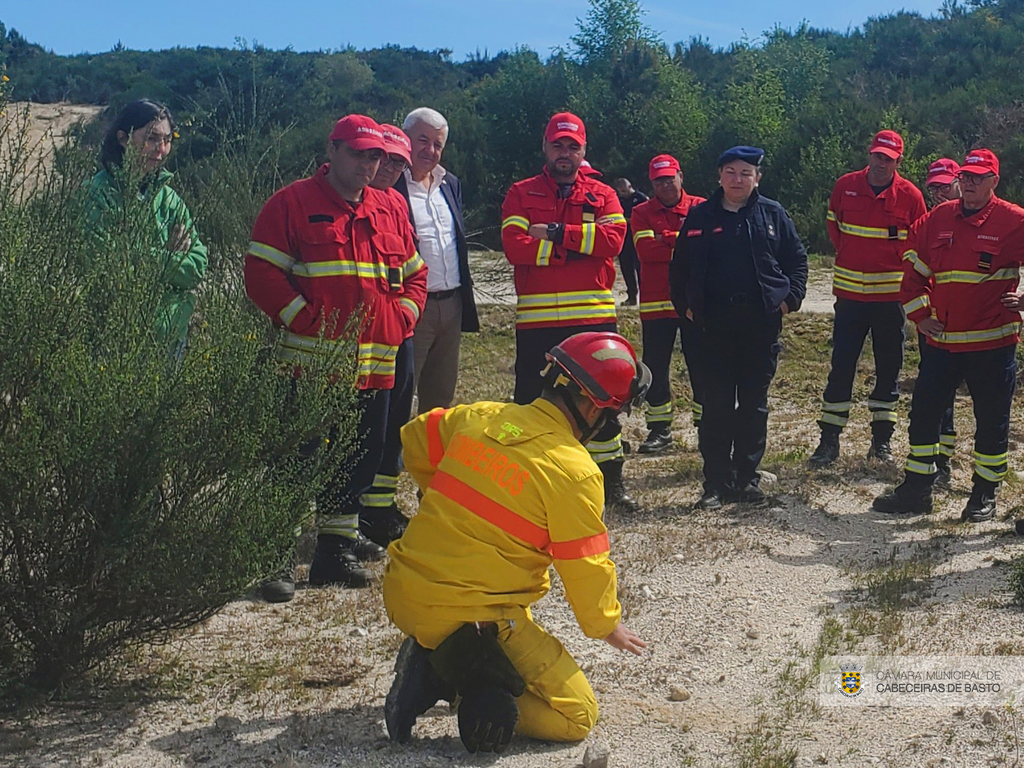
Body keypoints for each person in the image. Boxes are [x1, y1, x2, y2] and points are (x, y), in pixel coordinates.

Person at [382, 331, 649, 753]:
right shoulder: (573, 472)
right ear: (595, 409)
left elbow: (416, 437)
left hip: (402, 591)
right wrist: (606, 626)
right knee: (576, 715)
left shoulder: (482, 415)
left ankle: (438, 657)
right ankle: (450, 676)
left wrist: (440, 499)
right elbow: (586, 567)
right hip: (473, 616)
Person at [245, 114, 427, 589]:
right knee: (295, 459)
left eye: (376, 156)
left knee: (356, 460)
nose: (370, 164)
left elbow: (415, 275)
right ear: (333, 150)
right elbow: (262, 274)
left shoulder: (389, 207)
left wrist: (402, 318)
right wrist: (305, 319)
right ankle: (275, 555)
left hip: (375, 368)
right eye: (360, 153)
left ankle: (335, 552)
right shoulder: (291, 203)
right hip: (309, 367)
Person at [874, 149, 1024, 522]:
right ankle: (917, 489)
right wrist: (920, 316)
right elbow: (913, 273)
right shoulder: (938, 218)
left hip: (993, 343)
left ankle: (983, 495)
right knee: (924, 414)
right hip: (942, 344)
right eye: (966, 176)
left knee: (991, 421)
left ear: (994, 182)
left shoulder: (1014, 220)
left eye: (978, 177)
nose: (970, 183)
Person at [500, 112, 636, 511]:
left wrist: (557, 236)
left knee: (605, 401)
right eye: (557, 145)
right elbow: (514, 246)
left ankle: (610, 483)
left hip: (592, 320)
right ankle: (527, 483)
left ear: (583, 151)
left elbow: (612, 241)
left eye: (572, 146)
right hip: (538, 323)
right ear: (545, 147)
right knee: (529, 401)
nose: (565, 153)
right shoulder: (521, 192)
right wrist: (578, 248)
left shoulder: (603, 193)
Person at [670, 146, 808, 509]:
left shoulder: (773, 214)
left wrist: (790, 298)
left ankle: (747, 479)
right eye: (730, 171)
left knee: (753, 407)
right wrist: (684, 307)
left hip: (759, 327)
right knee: (714, 408)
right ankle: (716, 483)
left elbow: (796, 260)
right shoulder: (699, 216)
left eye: (745, 173)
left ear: (757, 178)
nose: (737, 179)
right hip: (710, 330)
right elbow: (679, 267)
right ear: (719, 176)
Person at [808, 130, 927, 467]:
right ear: (869, 154)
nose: (880, 163)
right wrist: (848, 253)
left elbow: (918, 242)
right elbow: (834, 226)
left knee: (889, 370)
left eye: (887, 159)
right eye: (876, 156)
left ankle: (881, 442)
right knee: (840, 367)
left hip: (890, 300)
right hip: (849, 297)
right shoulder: (845, 185)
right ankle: (829, 441)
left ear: (897, 162)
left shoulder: (911, 196)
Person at [85, 98, 208, 354]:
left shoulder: (170, 200)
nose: (161, 149)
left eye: (168, 140)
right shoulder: (97, 194)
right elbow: (104, 263)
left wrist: (137, 254)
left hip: (170, 336)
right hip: (114, 337)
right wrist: (172, 258)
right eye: (152, 138)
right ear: (123, 139)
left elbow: (198, 266)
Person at [393, 107, 479, 413]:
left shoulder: (450, 183)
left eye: (438, 144)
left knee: (441, 392)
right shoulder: (390, 184)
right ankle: (395, 455)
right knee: (401, 389)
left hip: (452, 304)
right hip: (412, 304)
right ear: (405, 138)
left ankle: (429, 456)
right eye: (423, 140)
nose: (430, 150)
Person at [629, 154, 706, 453]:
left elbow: (705, 249)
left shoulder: (700, 207)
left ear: (680, 176)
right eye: (658, 180)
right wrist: (683, 240)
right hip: (656, 304)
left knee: (701, 365)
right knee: (655, 368)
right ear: (651, 183)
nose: (665, 185)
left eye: (669, 178)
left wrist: (666, 238)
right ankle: (659, 430)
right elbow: (645, 251)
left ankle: (706, 427)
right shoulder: (640, 212)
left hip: (693, 302)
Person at [919, 158, 963, 485]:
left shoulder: (985, 220)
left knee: (989, 404)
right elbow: (913, 273)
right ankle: (940, 461)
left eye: (945, 186)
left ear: (959, 182)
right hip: (937, 325)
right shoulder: (927, 222)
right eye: (934, 187)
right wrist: (921, 316)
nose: (939, 193)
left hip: (979, 326)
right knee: (937, 395)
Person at [613, 177, 648, 307]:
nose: (623, 194)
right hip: (623, 239)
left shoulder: (641, 199)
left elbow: (646, 217)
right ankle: (631, 296)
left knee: (640, 269)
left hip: (638, 238)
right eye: (620, 191)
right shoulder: (618, 200)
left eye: (624, 190)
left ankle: (644, 297)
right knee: (626, 268)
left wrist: (627, 220)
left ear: (630, 186)